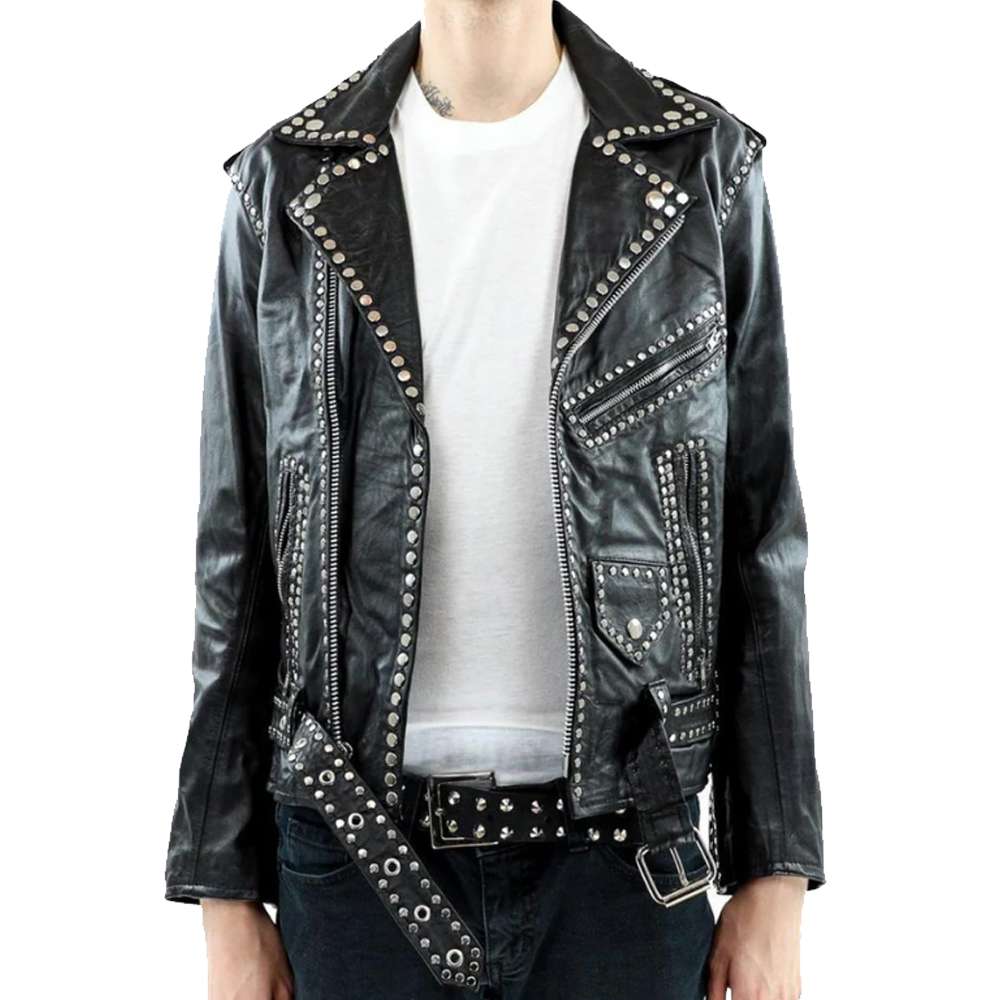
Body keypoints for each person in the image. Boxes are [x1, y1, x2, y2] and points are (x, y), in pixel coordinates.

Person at [164, 2, 825, 997]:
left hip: (626, 863)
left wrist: (775, 871)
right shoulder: (287, 185)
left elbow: (761, 534)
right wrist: (224, 891)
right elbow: (237, 551)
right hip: (352, 859)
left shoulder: (699, 169)